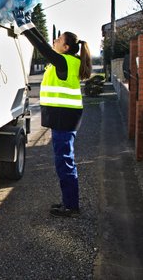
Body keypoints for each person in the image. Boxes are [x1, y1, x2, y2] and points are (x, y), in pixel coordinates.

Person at [21, 22, 92, 217]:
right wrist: (28, 23)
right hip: (64, 116)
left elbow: (42, 46)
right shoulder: (66, 61)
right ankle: (68, 202)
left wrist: (23, 27)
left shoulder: (64, 61)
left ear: (66, 47)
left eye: (59, 39)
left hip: (64, 117)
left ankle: (71, 206)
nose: (55, 40)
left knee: (65, 162)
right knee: (64, 161)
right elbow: (44, 43)